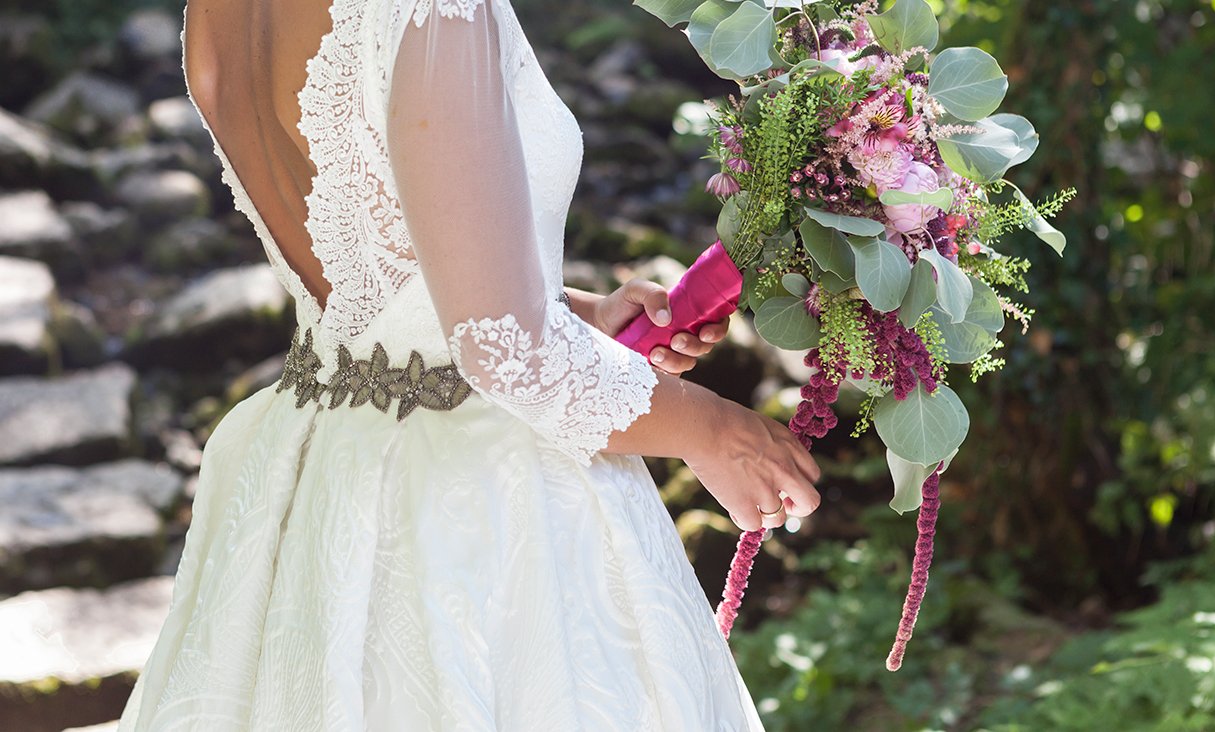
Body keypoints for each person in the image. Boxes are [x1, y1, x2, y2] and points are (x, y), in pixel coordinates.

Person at [118, 0, 821, 728]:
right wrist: (718, 434)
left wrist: (575, 312)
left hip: (316, 467)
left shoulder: (217, 13)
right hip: (476, 512)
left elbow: (380, 269)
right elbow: (508, 354)